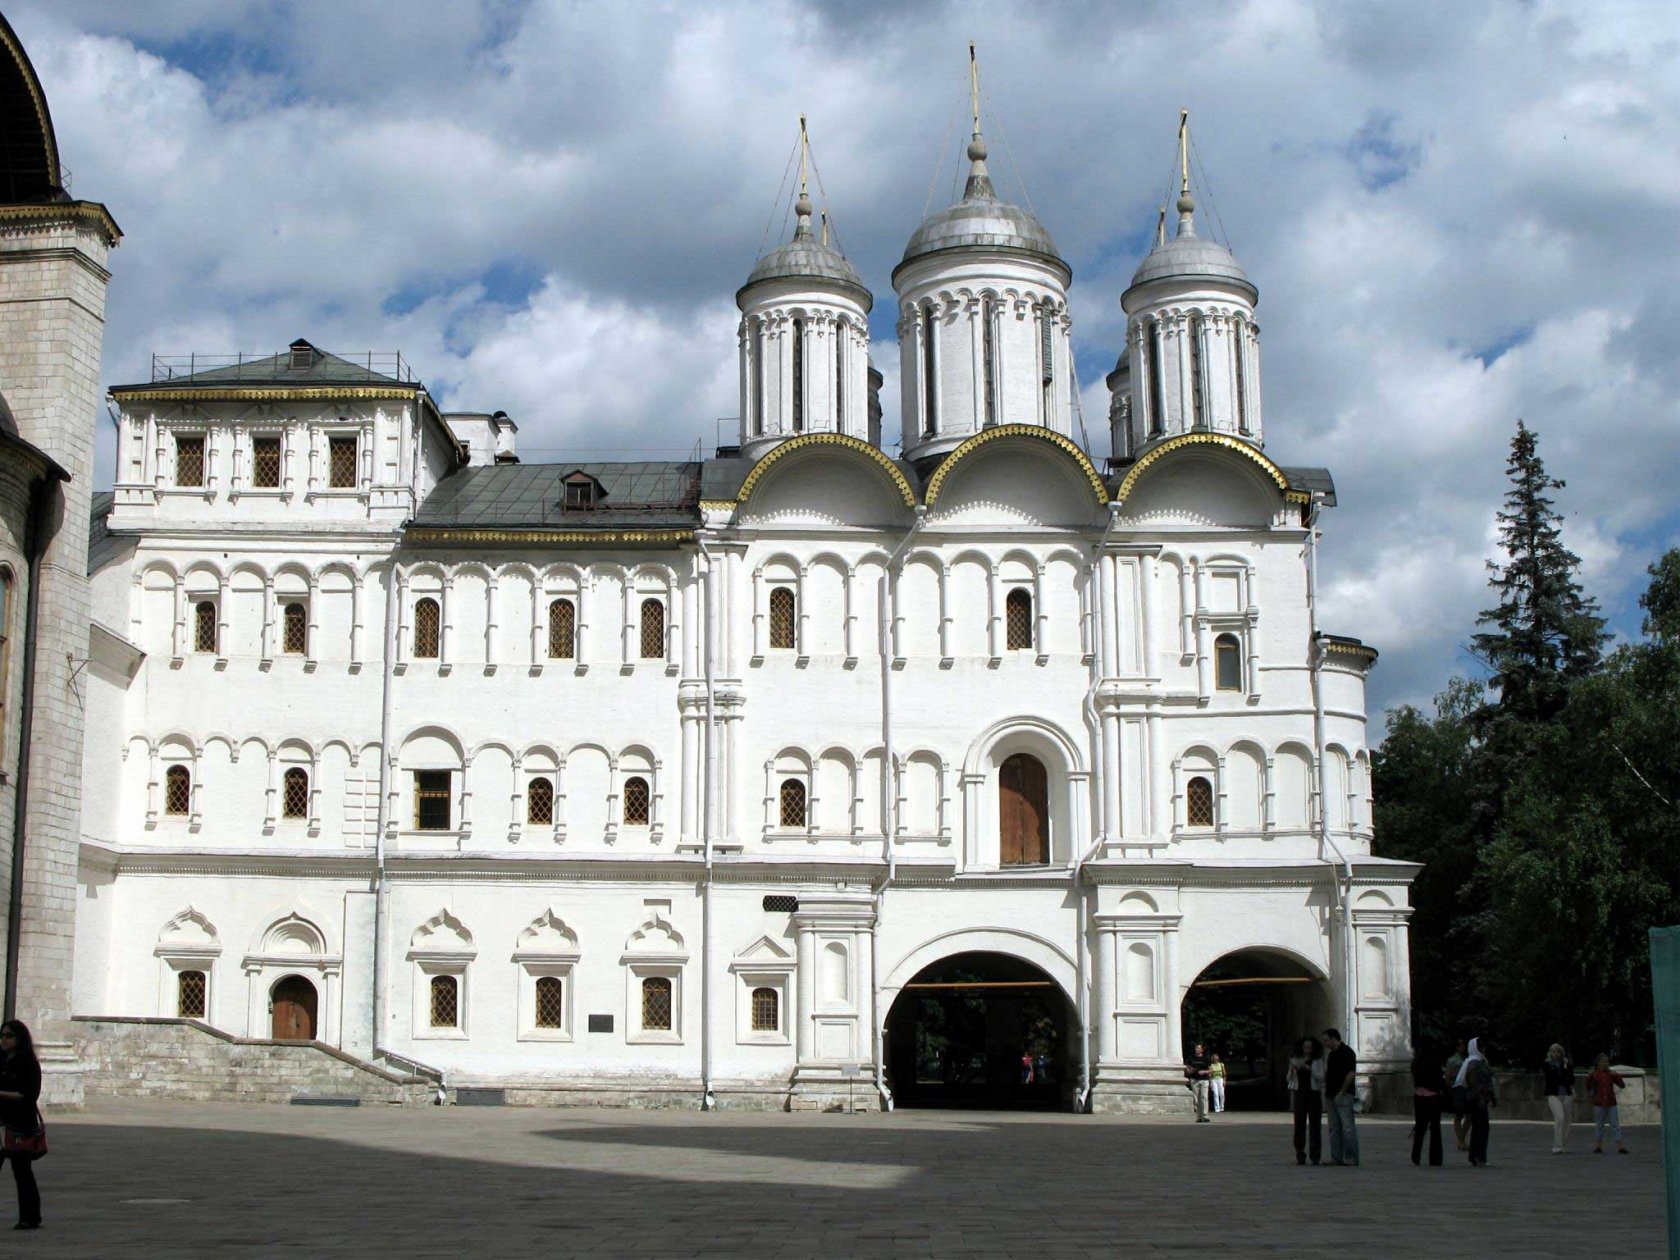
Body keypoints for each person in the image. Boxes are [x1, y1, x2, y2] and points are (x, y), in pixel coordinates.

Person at [0, 1020, 42, 1230]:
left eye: (9, 1036)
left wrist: (2, 1094)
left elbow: (30, 1095)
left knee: (22, 1171)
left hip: (19, 1124)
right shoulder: (0, 1060)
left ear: (19, 1038)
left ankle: (30, 1216)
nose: (4, 1040)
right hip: (0, 1123)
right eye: (2, 1036)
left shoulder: (28, 1063)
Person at [1455, 1036, 1496, 1166]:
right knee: (1481, 1128)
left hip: (1482, 1098)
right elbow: (1472, 1082)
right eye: (1481, 1046)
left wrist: (1492, 1096)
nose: (1483, 1049)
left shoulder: (1481, 1061)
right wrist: (1481, 1097)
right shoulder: (1473, 1063)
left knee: (1480, 1128)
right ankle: (1479, 1157)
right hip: (1476, 1099)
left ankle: (1475, 1156)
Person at [1322, 1028, 1359, 1166]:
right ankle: (1336, 1156)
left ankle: (1351, 1157)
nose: (1325, 1043)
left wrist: (1342, 1092)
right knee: (1333, 1127)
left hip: (1344, 1094)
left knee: (1347, 1127)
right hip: (1331, 1094)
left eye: (1326, 1040)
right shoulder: (1331, 1055)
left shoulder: (1347, 1052)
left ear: (1333, 1038)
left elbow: (1351, 1074)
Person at [1287, 1037, 1325, 1165]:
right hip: (1300, 1093)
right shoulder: (1295, 1060)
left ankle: (1315, 1155)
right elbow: (1289, 1079)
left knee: (1315, 1125)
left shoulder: (1318, 1061)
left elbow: (1321, 1077)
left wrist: (1310, 1069)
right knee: (1299, 1124)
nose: (1307, 1050)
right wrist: (1292, 1070)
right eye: (1305, 1047)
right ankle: (1300, 1153)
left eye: (1310, 1047)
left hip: (1314, 1093)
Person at [1585, 1053, 1629, 1155]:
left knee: (1615, 1124)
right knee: (1599, 1124)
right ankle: (1598, 1145)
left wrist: (1617, 1075)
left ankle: (1620, 1145)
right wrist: (1589, 1078)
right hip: (1599, 1102)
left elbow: (1622, 1085)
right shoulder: (1594, 1074)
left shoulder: (1611, 1074)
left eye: (1607, 1062)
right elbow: (1589, 1087)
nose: (1605, 1064)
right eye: (1603, 1061)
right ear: (1598, 1063)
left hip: (1610, 1102)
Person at [1410, 1042, 1446, 1166]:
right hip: (1433, 1097)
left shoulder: (1416, 1062)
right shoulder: (1435, 1062)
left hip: (1419, 1096)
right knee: (1435, 1128)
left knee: (1420, 1127)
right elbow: (1440, 1080)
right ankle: (1435, 1158)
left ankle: (1416, 1155)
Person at [1541, 1044, 1575, 1154]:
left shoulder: (1566, 1064)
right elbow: (1551, 1078)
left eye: (1558, 1052)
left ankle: (1564, 1144)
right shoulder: (1547, 1064)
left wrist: (1565, 1072)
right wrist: (1563, 1076)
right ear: (1550, 1053)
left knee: (1567, 1119)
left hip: (1566, 1093)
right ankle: (1557, 1145)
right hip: (1553, 1094)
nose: (1556, 1054)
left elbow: (1571, 1079)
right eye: (1553, 1052)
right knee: (1559, 1117)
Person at [1443, 1038, 1470, 1151]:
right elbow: (1448, 1077)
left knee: (1469, 1115)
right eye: (1460, 1045)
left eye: (1464, 1045)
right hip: (1457, 1089)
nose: (1462, 1047)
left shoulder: (1467, 1059)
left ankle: (1461, 1139)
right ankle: (1461, 1140)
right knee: (1459, 1115)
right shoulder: (1453, 1060)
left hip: (1467, 1089)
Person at [1185, 1043, 1212, 1122]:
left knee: (1204, 1097)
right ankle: (1199, 1116)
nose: (1196, 1049)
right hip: (1194, 1079)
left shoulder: (1206, 1058)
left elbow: (1211, 1070)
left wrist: (1204, 1071)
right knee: (1196, 1099)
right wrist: (1190, 1070)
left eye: (1198, 1048)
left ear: (1202, 1050)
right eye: (1196, 1048)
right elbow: (1187, 1069)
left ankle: (1205, 1115)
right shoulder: (1191, 1058)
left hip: (1204, 1079)